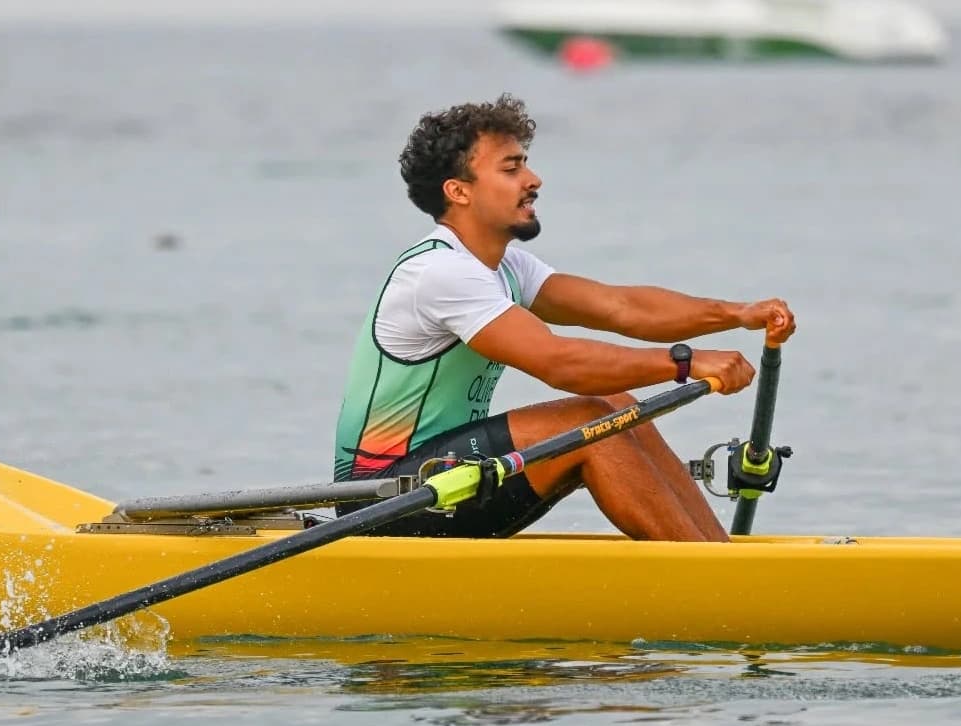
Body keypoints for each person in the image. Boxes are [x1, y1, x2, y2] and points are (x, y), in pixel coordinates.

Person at [331, 94, 795, 541]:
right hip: (384, 499)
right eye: (511, 168)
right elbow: (560, 364)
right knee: (587, 419)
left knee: (614, 403)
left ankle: (713, 555)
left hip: (444, 480)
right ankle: (709, 581)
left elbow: (621, 307)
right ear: (459, 191)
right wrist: (685, 362)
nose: (534, 179)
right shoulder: (439, 272)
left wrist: (735, 313)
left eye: (525, 164)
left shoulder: (503, 267)